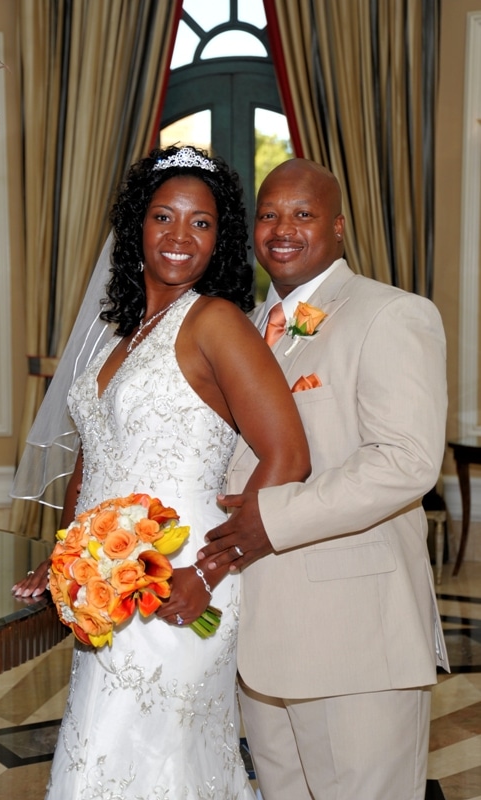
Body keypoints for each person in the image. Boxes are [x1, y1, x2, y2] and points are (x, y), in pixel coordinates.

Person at [12, 145, 310, 798]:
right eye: (164, 217)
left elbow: (288, 455)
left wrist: (207, 572)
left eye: (201, 222)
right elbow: (94, 459)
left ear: (219, 238)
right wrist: (63, 559)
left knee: (157, 761)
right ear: (136, 226)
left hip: (183, 580)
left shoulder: (216, 322)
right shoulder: (124, 336)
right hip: (104, 584)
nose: (180, 235)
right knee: (98, 755)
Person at [198, 158, 449, 800]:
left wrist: (272, 519)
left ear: (338, 227)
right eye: (269, 214)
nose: (282, 229)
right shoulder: (244, 327)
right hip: (260, 641)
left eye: (303, 214)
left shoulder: (391, 314)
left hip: (354, 638)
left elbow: (406, 460)